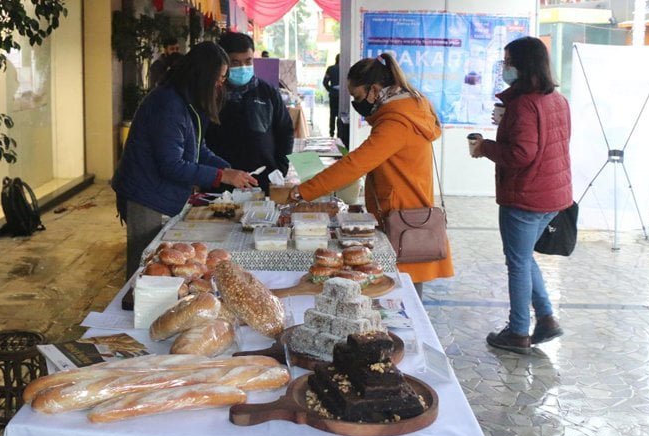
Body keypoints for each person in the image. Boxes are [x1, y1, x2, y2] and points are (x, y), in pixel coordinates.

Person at [288, 53, 454, 297]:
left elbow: (355, 164)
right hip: (405, 208)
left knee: (403, 288)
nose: (356, 104)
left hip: (403, 215)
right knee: (404, 284)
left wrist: (303, 191)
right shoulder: (407, 110)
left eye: (357, 96)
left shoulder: (397, 122)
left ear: (374, 90)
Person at [112, 42, 257, 300]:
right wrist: (222, 176)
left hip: (162, 194)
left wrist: (228, 169)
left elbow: (198, 149)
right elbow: (172, 164)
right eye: (219, 78)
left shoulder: (188, 102)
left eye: (223, 79)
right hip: (146, 196)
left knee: (162, 264)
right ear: (203, 75)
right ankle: (133, 311)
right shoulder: (169, 105)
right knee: (146, 266)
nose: (220, 84)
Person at [469, 36, 571, 354]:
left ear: (524, 65)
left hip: (526, 196)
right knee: (524, 258)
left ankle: (517, 332)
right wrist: (508, 121)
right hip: (553, 196)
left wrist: (484, 147)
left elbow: (522, 154)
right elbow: (545, 140)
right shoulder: (557, 99)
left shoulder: (524, 104)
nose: (505, 68)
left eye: (509, 62)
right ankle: (546, 319)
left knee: (517, 263)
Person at [206, 32, 293, 194]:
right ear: (224, 62)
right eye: (235, 62)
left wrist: (280, 167)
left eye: (248, 61)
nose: (243, 68)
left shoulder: (267, 92)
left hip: (263, 180)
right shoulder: (210, 95)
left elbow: (285, 130)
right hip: (220, 183)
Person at [323, 54, 341, 137]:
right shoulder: (346, 69)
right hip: (343, 96)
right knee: (341, 114)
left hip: (333, 94)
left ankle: (331, 132)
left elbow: (325, 82)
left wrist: (330, 90)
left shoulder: (330, 69)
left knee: (332, 114)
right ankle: (340, 133)